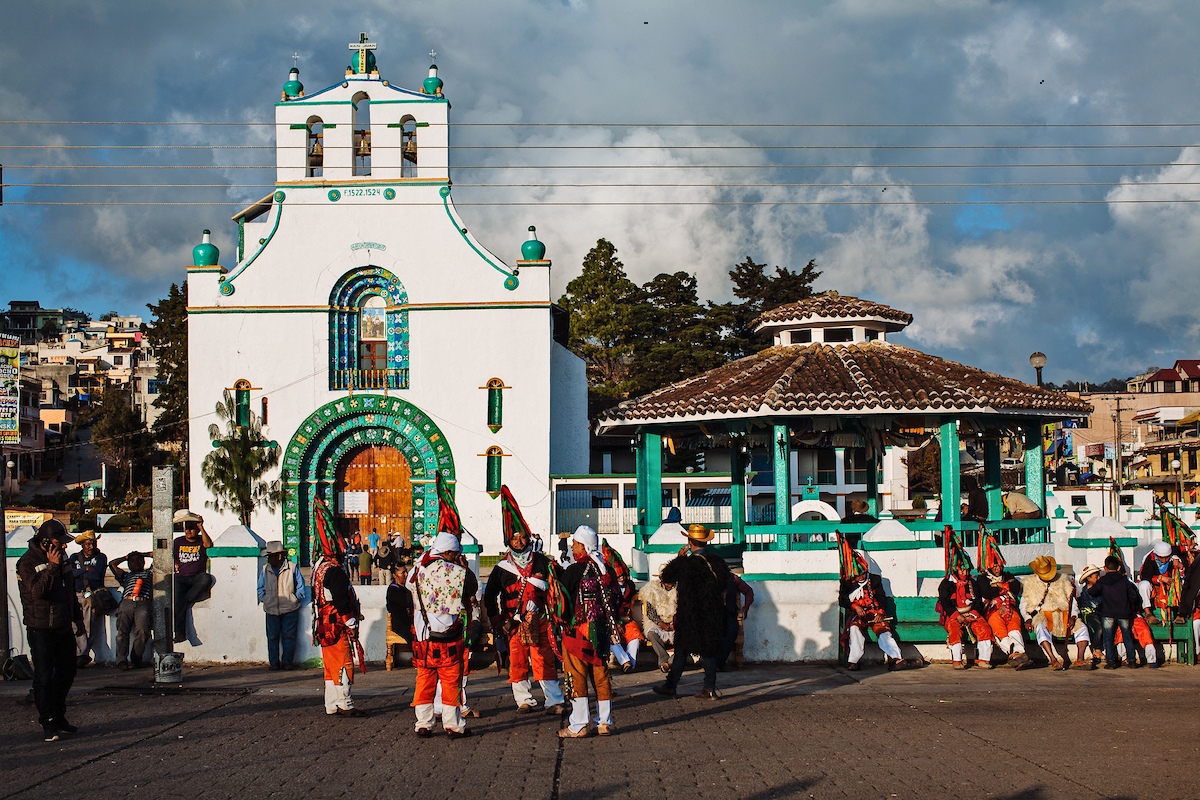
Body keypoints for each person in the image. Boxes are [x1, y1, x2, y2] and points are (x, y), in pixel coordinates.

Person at [482, 521, 565, 714]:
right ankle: (524, 701)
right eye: (514, 538)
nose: (519, 542)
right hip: (513, 623)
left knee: (544, 659)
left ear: (529, 539)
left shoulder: (543, 562)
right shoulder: (502, 568)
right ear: (508, 541)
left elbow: (561, 585)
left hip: (541, 621)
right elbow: (490, 595)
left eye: (523, 537)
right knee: (517, 660)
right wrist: (496, 620)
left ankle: (553, 701)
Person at [16, 519, 83, 741]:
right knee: (44, 676)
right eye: (58, 542)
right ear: (44, 542)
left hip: (62, 624)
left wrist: (77, 619)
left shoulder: (62, 558)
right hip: (41, 627)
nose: (63, 546)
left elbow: (69, 590)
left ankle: (59, 714)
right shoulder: (27, 562)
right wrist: (52, 567)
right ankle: (48, 721)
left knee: (67, 671)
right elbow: (37, 592)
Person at [407, 531, 477, 738]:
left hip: (423, 638)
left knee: (424, 681)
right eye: (455, 554)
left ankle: (423, 723)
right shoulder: (458, 573)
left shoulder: (416, 570)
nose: (456, 557)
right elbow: (472, 588)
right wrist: (463, 565)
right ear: (447, 552)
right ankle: (453, 725)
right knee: (451, 682)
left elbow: (408, 587)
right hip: (448, 638)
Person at [653, 523, 731, 700]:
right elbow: (725, 583)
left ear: (690, 542)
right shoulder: (717, 562)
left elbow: (667, 577)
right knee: (708, 651)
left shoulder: (686, 564)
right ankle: (709, 688)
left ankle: (671, 686)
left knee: (681, 650)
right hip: (712, 613)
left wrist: (679, 558)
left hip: (690, 615)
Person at [557, 525, 620, 737]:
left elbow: (560, 600)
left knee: (576, 676)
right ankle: (604, 722)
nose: (572, 546)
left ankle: (579, 724)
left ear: (583, 547)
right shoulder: (606, 570)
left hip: (578, 634)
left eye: (575, 543)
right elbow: (616, 599)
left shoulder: (574, 571)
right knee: (601, 676)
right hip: (601, 634)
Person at [312, 512, 367, 716]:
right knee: (343, 663)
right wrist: (351, 623)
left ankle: (331, 703)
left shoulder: (319, 569)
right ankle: (345, 702)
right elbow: (341, 601)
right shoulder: (334, 571)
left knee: (330, 666)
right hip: (336, 625)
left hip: (323, 625)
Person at [1019, 556, 1090, 670]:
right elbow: (1024, 606)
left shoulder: (1063, 580)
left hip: (1064, 613)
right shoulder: (1029, 584)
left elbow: (1072, 602)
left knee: (1082, 628)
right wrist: (1027, 618)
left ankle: (1080, 658)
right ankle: (1053, 659)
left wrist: (1073, 616)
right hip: (1045, 615)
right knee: (1040, 628)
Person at [839, 564, 915, 671]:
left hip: (875, 612)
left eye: (862, 574)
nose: (860, 577)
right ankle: (854, 661)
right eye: (857, 576)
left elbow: (881, 598)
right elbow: (842, 600)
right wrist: (855, 607)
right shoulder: (847, 582)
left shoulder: (874, 579)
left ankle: (895, 658)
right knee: (854, 629)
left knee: (884, 631)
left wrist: (880, 613)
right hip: (859, 614)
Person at [976, 546, 1033, 669]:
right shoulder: (982, 578)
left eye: (999, 566)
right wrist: (1006, 587)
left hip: (1010, 609)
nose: (998, 569)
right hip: (993, 611)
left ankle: (1018, 655)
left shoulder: (1007, 575)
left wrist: (998, 585)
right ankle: (1017, 653)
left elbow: (1016, 588)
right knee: (1000, 632)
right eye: (995, 566)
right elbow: (987, 593)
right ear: (989, 566)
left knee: (1014, 629)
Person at [1088, 555, 1146, 669]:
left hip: (1107, 613)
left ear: (1105, 568)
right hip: (1124, 613)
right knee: (1127, 636)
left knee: (1108, 637)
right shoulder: (1124, 581)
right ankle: (1132, 661)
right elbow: (1133, 597)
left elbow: (1092, 592)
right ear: (1119, 568)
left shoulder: (1102, 581)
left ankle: (1110, 662)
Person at [258, 541, 307, 671]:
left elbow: (300, 587)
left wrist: (294, 599)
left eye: (271, 556)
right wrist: (265, 599)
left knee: (289, 636)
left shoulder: (292, 568)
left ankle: (287, 662)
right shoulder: (265, 569)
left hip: (290, 608)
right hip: (271, 608)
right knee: (272, 637)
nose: (269, 559)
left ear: (279, 556)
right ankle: (274, 662)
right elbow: (260, 588)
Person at [937, 562, 995, 669]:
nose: (965, 573)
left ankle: (983, 659)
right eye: (962, 570)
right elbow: (945, 603)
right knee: (955, 630)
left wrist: (973, 614)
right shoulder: (946, 584)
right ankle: (957, 661)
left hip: (971, 614)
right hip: (954, 615)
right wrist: (957, 616)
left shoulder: (972, 583)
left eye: (967, 570)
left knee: (984, 629)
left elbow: (978, 601)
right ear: (956, 570)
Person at [67, 529, 108, 668]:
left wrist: (79, 573)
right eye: (88, 544)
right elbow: (71, 574)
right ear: (82, 545)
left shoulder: (101, 557)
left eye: (93, 543)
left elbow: (97, 575)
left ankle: (82, 654)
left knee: (88, 623)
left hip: (91, 594)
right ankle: (80, 653)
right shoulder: (74, 557)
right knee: (75, 624)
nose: (90, 547)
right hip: (76, 593)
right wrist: (85, 570)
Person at [172, 509, 215, 643]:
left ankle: (186, 599)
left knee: (206, 578)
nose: (188, 531)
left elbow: (208, 544)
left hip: (197, 577)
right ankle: (179, 633)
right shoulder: (178, 541)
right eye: (186, 529)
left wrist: (201, 527)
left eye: (191, 528)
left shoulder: (201, 540)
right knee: (178, 601)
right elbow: (171, 555)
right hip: (181, 577)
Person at [109, 551, 153, 669]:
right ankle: (121, 660)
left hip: (143, 602)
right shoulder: (125, 576)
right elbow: (112, 564)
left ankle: (136, 658)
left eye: (139, 560)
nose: (136, 562)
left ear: (143, 562)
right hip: (127, 602)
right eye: (132, 561)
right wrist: (125, 557)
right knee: (122, 632)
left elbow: (157, 555)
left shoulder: (149, 573)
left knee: (143, 631)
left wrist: (142, 554)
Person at [1137, 540, 1184, 624]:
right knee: (1143, 585)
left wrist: (1180, 567)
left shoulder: (1174, 559)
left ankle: (1180, 614)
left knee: (1183, 584)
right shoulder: (1149, 559)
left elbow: (1183, 575)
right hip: (1154, 585)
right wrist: (1160, 579)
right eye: (1162, 558)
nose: (1165, 560)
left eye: (1167, 557)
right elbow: (1146, 576)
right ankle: (1148, 613)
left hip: (1172, 584)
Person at [718, 572, 754, 671]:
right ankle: (714, 662)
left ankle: (720, 662)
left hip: (729, 613)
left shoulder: (733, 578)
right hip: (712, 615)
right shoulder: (706, 577)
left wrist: (745, 607)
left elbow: (748, 591)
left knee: (732, 631)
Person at [639, 578, 677, 673]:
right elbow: (650, 612)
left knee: (686, 636)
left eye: (671, 582)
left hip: (675, 621)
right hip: (658, 622)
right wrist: (660, 623)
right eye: (668, 582)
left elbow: (684, 609)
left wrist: (675, 622)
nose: (670, 585)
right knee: (651, 633)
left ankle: (671, 661)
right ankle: (664, 659)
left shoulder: (680, 590)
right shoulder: (652, 590)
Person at [385, 563, 414, 670]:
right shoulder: (393, 590)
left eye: (406, 572)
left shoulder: (408, 589)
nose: (406, 575)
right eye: (403, 573)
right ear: (395, 575)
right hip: (400, 623)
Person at [1075, 564, 1105, 665]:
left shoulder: (1099, 589)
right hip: (1088, 613)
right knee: (1098, 627)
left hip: (1097, 613)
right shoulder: (1086, 591)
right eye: (1096, 576)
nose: (1099, 578)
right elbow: (1095, 604)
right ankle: (1097, 649)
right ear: (1088, 578)